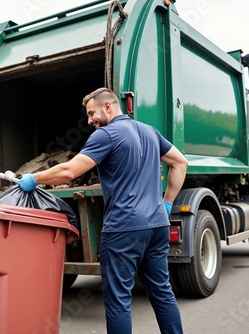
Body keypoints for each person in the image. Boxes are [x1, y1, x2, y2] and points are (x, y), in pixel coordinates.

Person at [18, 88, 188, 333]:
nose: (89, 121)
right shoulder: (150, 132)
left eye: (91, 113)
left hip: (123, 229)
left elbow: (69, 171)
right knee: (162, 293)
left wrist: (35, 178)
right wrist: (167, 202)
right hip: (158, 225)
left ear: (108, 106)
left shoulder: (105, 135)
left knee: (118, 301)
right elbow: (180, 162)